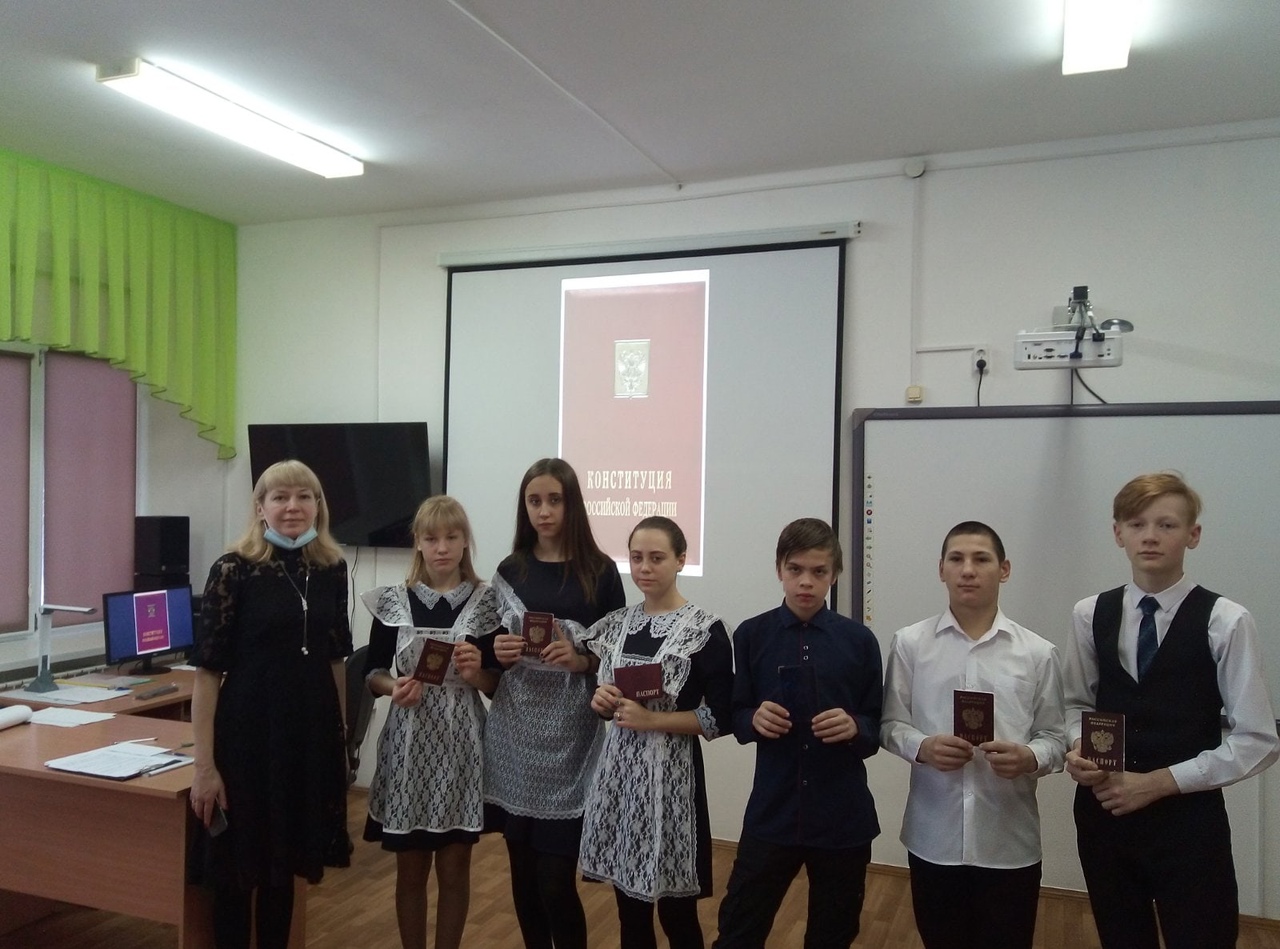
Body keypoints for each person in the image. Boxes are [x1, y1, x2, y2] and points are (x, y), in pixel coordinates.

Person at [1063, 472, 1279, 949]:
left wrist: (1158, 782)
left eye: (1167, 525)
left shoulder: (1227, 621)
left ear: (1192, 535)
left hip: (1189, 823)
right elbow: (1076, 703)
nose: (1150, 536)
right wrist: (1078, 746)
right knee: (1121, 937)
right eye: (1137, 524)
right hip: (1105, 815)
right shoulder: (1089, 613)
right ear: (1118, 533)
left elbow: (1258, 739)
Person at [456, 457, 626, 949]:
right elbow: (488, 661)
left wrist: (581, 660)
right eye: (534, 501)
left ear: (572, 504)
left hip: (573, 738)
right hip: (515, 732)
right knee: (524, 877)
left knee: (555, 881)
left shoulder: (601, 571)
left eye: (555, 500)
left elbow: (617, 654)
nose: (544, 511)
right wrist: (500, 651)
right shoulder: (511, 569)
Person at [189, 459, 352, 949]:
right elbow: (207, 674)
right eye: (280, 497)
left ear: (318, 506)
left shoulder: (331, 568)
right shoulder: (233, 569)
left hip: (305, 738)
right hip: (246, 740)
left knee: (285, 872)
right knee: (238, 874)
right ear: (260, 508)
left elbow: (336, 660)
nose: (292, 506)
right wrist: (204, 768)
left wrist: (339, 741)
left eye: (304, 496)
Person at [880, 521, 1065, 949]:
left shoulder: (1038, 653)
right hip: (933, 838)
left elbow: (1055, 738)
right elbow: (889, 725)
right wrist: (922, 747)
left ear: (1004, 569)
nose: (968, 570)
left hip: (1009, 843)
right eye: (957, 559)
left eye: (981, 559)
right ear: (941, 569)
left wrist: (1030, 757)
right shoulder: (910, 644)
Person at [713, 518, 882, 949]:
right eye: (795, 569)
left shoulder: (860, 641)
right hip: (773, 811)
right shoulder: (751, 635)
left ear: (834, 574)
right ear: (779, 569)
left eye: (819, 571)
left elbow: (876, 726)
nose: (806, 581)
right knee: (738, 930)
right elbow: (736, 714)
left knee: (832, 935)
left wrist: (855, 726)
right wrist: (754, 719)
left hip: (841, 816)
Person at [580, 516, 734, 949]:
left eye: (656, 558)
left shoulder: (704, 629)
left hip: (673, 780)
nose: (644, 568)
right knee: (629, 912)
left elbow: (721, 717)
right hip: (619, 778)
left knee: (677, 914)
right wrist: (602, 701)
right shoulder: (615, 625)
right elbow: (606, 701)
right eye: (636, 558)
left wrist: (654, 721)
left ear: (681, 560)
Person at [359, 496, 491, 949]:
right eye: (432, 538)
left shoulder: (486, 603)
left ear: (465, 541)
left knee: (454, 869)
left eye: (452, 537)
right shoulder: (394, 602)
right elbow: (372, 671)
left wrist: (478, 674)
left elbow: (497, 685)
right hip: (409, 742)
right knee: (410, 870)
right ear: (417, 542)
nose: (442, 547)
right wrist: (391, 686)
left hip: (462, 743)